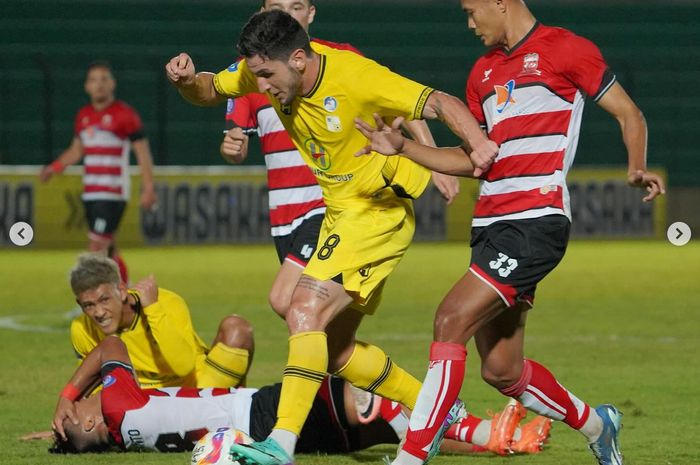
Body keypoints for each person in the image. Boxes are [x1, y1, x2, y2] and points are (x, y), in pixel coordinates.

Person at [166, 9, 499, 465]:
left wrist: (475, 143)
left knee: (302, 308)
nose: (261, 87)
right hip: (341, 213)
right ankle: (439, 412)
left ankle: (280, 444)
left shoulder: (354, 76)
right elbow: (208, 89)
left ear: (299, 59)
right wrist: (186, 81)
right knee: (337, 351)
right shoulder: (261, 69)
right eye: (256, 76)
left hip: (376, 211)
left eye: (267, 76)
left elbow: (438, 101)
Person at [354, 1, 666, 464]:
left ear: (501, 3)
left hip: (535, 222)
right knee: (502, 371)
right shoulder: (482, 73)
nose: (469, 22)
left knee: (449, 320)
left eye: (471, 10)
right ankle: (600, 425)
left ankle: (411, 456)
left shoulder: (566, 49)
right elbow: (474, 161)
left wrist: (636, 168)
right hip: (490, 227)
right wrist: (402, 148)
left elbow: (629, 114)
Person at [221, 0, 459, 319]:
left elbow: (395, 99)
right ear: (262, 14)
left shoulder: (339, 59)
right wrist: (232, 147)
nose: (287, 14)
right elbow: (234, 139)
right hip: (284, 208)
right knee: (327, 328)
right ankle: (345, 368)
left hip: (331, 202)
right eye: (276, 7)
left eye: (295, 7)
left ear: (311, 13)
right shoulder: (253, 75)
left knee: (287, 300)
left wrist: (433, 158)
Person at [48, 333, 549, 456]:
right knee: (376, 400)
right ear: (92, 423)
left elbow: (78, 437)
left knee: (392, 428)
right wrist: (64, 394)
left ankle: (503, 442)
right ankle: (483, 429)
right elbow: (111, 344)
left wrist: (54, 434)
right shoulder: (115, 405)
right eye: (77, 413)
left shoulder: (121, 433)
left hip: (253, 432)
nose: (77, 404)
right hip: (264, 413)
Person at [54, 253, 253, 435]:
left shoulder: (166, 302)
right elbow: (96, 388)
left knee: (237, 329)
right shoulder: (81, 328)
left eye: (104, 299)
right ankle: (228, 414)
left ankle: (239, 406)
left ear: (122, 291)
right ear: (80, 305)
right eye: (89, 305)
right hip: (145, 404)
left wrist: (153, 309)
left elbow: (183, 366)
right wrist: (74, 425)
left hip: (197, 389)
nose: (99, 312)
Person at [39, 61, 157, 284]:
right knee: (109, 248)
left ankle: (92, 298)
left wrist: (148, 188)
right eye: (94, 80)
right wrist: (54, 168)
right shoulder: (84, 116)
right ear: (87, 86)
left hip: (112, 193)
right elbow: (76, 151)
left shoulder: (124, 115)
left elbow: (142, 153)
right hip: (91, 193)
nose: (99, 84)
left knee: (96, 247)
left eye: (104, 79)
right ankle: (125, 291)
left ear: (112, 84)